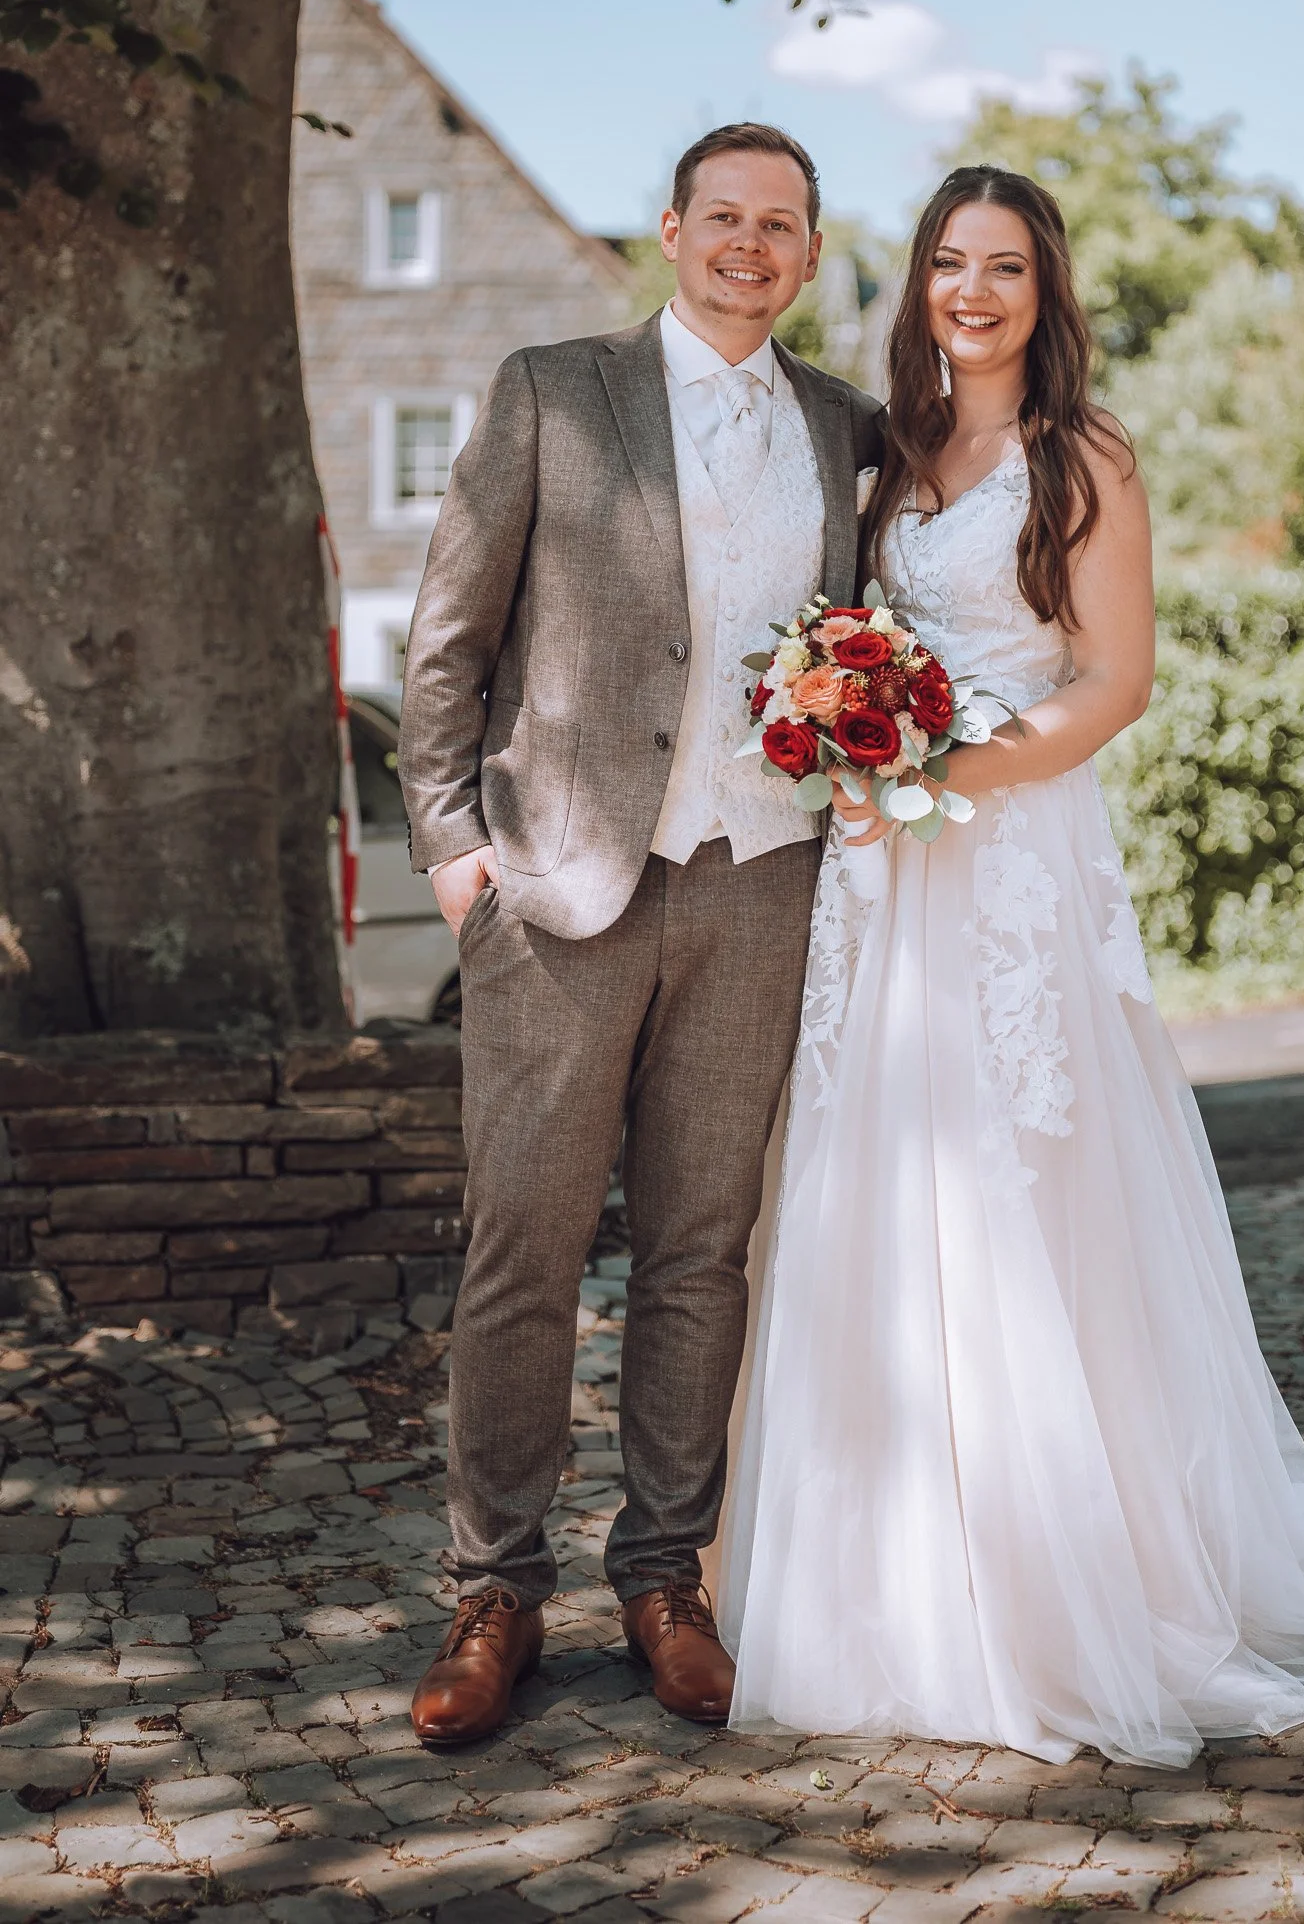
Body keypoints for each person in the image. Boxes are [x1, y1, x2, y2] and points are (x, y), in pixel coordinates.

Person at [717, 162, 1304, 1765]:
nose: (972, 292)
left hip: (1006, 864)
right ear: (915, 286)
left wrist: (936, 764)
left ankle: (1061, 1589)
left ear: (1046, 290)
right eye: (949, 264)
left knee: (1024, 1191)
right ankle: (882, 1576)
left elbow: (1112, 683)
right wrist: (848, 731)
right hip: (879, 883)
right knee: (874, 1184)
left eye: (1004, 267)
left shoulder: (1082, 456)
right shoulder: (885, 454)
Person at [397, 121, 885, 1745]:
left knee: (699, 1254)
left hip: (762, 883)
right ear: (670, 229)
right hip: (557, 887)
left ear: (811, 255)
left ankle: (667, 1577)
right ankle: (494, 1590)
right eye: (723, 217)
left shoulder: (845, 432)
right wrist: (459, 856)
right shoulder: (555, 388)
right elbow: (448, 640)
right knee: (521, 1251)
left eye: (781, 225)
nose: (750, 245)